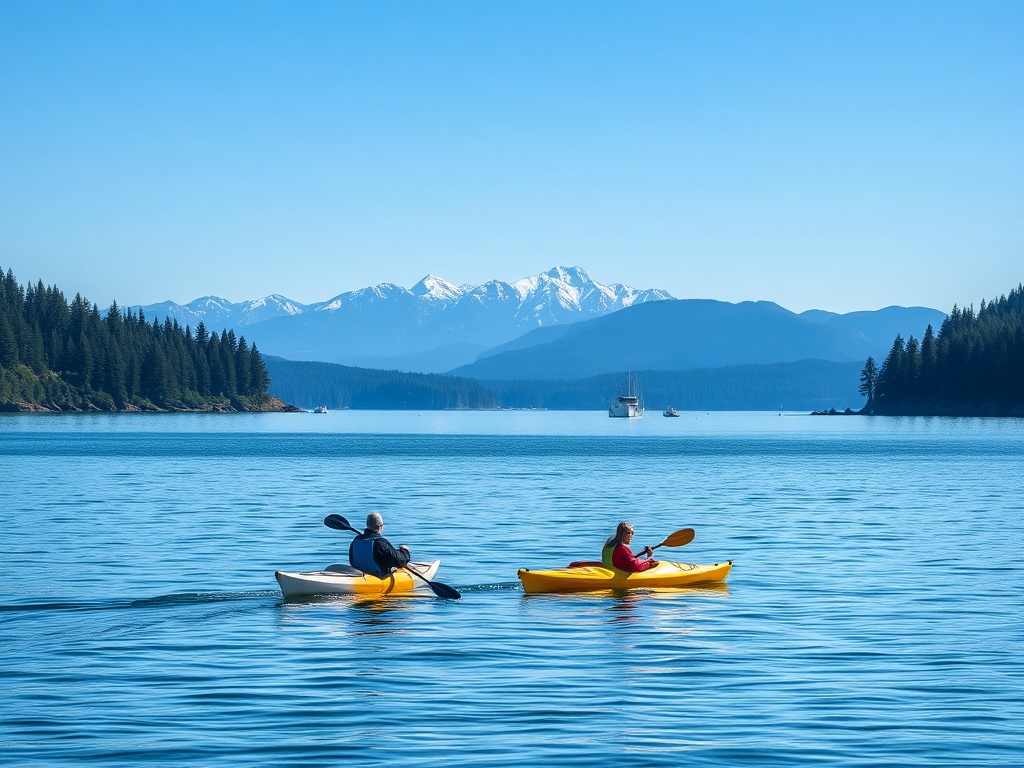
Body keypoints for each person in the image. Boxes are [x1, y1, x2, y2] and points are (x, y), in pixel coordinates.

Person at [349, 512, 411, 577]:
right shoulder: (380, 543)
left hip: (358, 572)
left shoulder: (356, 540)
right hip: (376, 576)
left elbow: (351, 559)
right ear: (380, 526)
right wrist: (404, 552)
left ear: (367, 525)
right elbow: (398, 561)